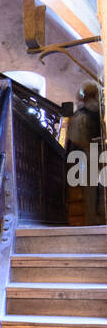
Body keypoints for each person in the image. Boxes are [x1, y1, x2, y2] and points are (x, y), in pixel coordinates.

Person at [65, 81, 104, 225]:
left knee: (90, 190)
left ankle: (92, 222)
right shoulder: (103, 111)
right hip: (104, 151)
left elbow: (74, 137)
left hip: (90, 153)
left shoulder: (80, 114)